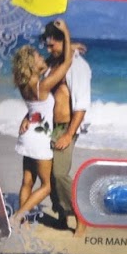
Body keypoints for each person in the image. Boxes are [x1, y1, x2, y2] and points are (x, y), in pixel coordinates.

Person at [40, 19, 91, 233]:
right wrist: (69, 47)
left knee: (60, 174)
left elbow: (81, 105)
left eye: (52, 45)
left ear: (63, 41)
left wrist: (69, 134)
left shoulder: (78, 66)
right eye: (47, 45)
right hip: (47, 127)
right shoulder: (53, 63)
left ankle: (80, 216)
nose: (48, 49)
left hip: (65, 128)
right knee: (48, 175)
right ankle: (61, 214)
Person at [10, 45, 54, 222]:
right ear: (30, 64)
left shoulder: (25, 84)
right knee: (47, 186)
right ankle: (18, 217)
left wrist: (25, 118)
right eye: (37, 56)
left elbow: (34, 110)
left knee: (27, 182)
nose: (41, 56)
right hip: (39, 140)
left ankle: (24, 224)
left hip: (27, 136)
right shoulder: (42, 85)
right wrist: (67, 41)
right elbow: (65, 64)